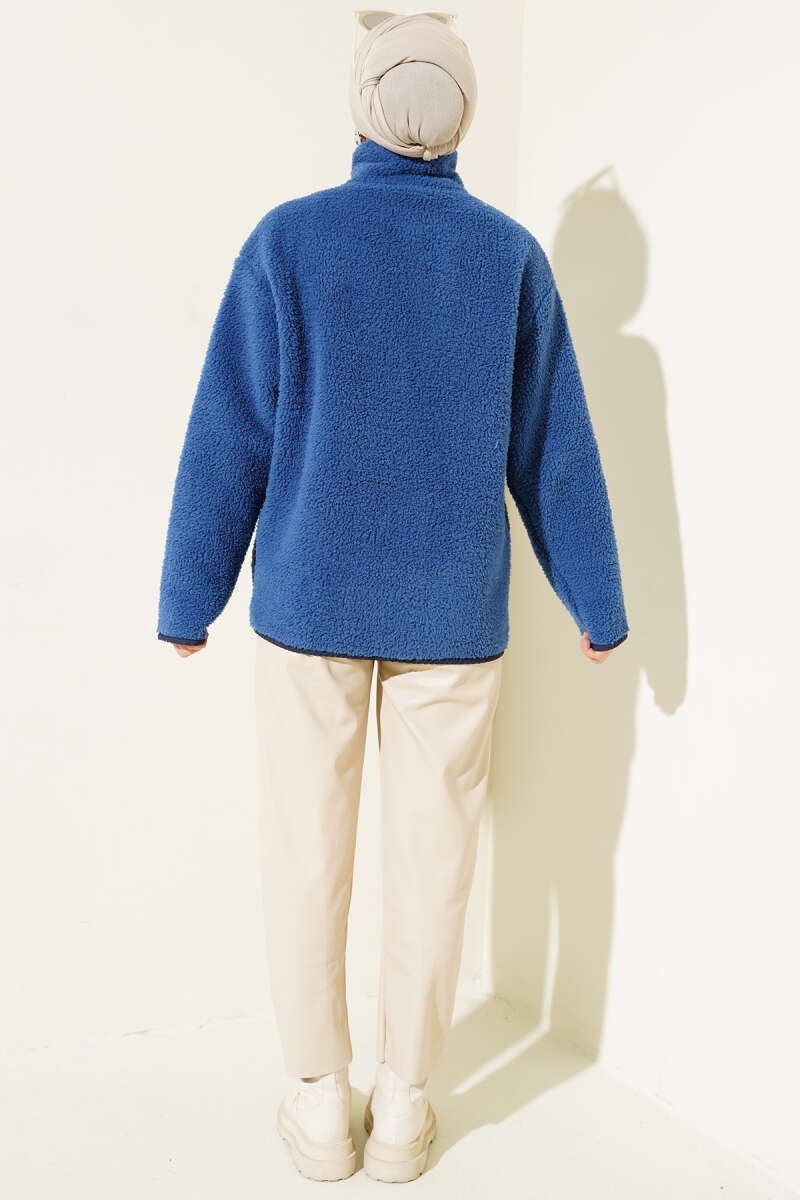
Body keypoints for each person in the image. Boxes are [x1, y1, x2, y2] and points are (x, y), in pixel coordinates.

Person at [156, 10, 628, 1185]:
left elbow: (228, 433)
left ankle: (321, 1099)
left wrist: (188, 595)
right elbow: (553, 451)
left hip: (308, 605)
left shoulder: (287, 241)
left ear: (362, 102)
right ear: (462, 113)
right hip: (451, 618)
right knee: (435, 855)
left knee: (304, 848)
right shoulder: (507, 257)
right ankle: (406, 1102)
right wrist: (595, 601)